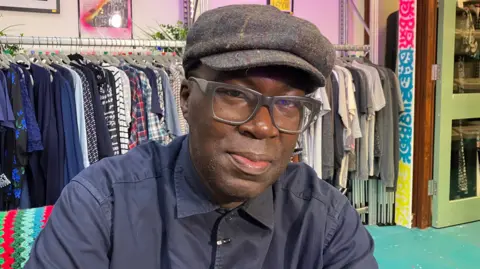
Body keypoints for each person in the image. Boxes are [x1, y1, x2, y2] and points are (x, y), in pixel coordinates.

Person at [25, 4, 378, 269]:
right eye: (236, 95)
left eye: (287, 103)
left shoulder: (325, 221)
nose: (264, 127)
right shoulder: (103, 204)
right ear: (186, 99)